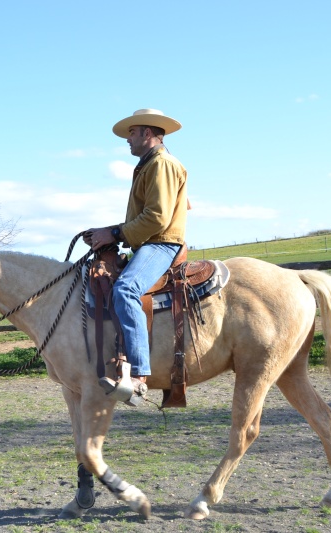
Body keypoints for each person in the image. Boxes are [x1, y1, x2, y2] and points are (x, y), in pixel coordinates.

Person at [84, 108, 188, 405]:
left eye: (132, 132)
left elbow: (157, 217)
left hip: (161, 244)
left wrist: (114, 234)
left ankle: (139, 375)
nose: (127, 139)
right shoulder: (148, 165)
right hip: (148, 244)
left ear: (147, 133)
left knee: (126, 289)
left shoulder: (162, 164)